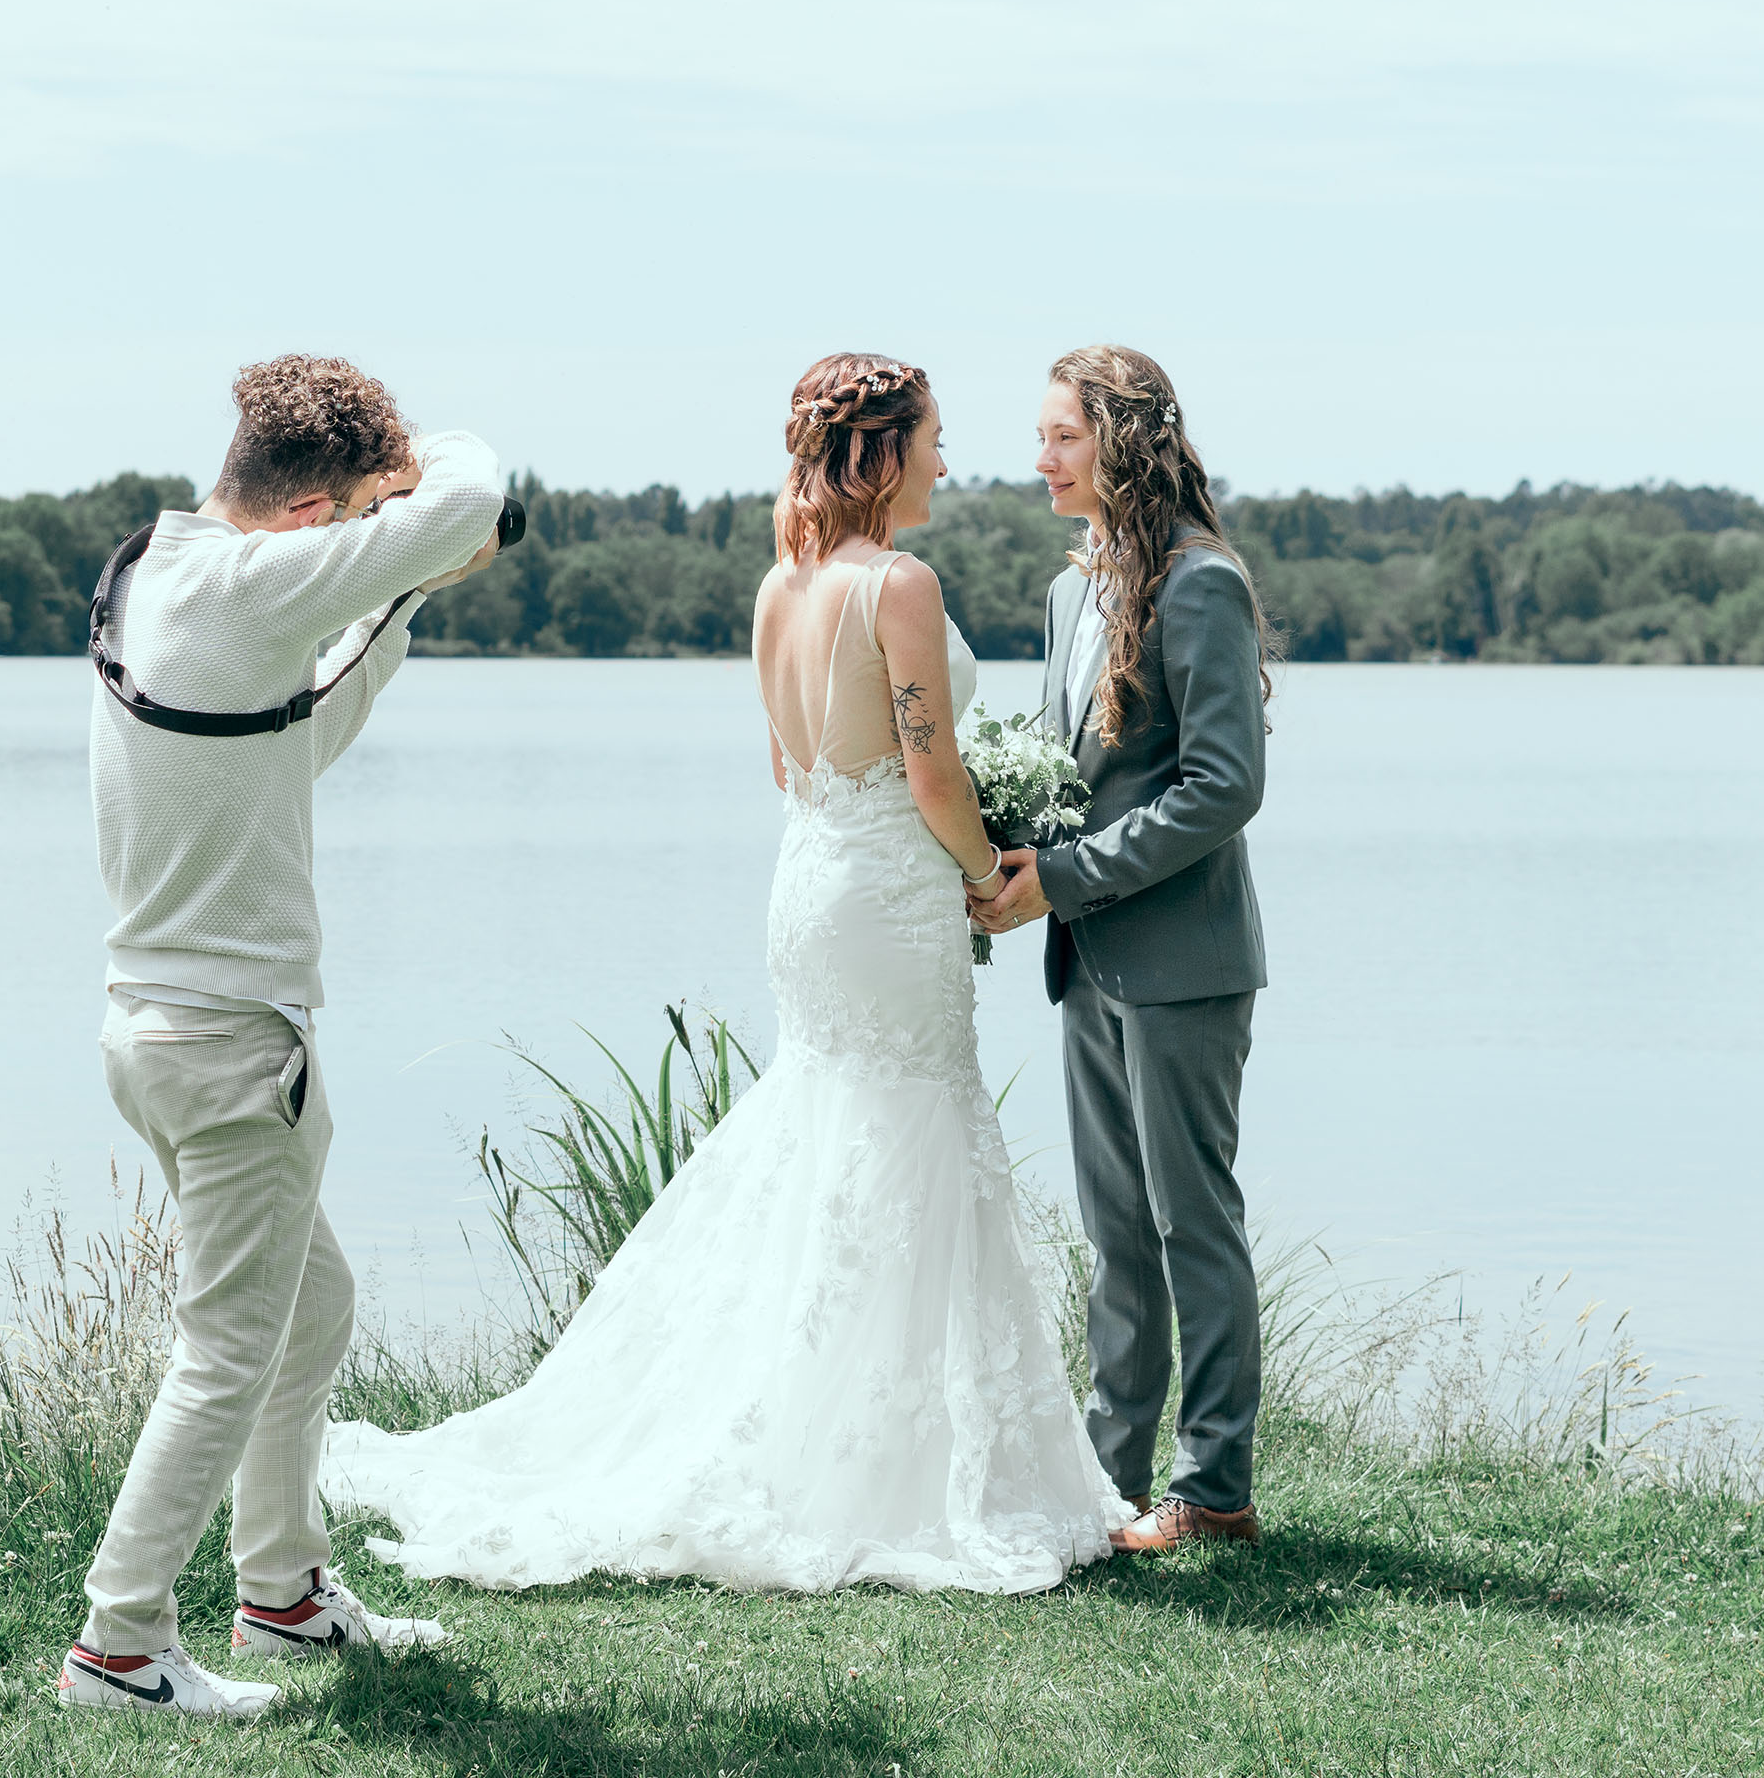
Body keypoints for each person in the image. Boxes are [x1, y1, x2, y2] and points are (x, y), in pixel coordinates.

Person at [320, 354, 1132, 1596]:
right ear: (880, 452)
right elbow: (930, 772)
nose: (948, 462)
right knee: (905, 1128)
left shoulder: (777, 587)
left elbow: (785, 766)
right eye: (932, 439)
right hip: (885, 896)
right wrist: (989, 874)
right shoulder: (897, 584)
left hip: (809, 883)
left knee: (831, 1129)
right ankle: (890, 1465)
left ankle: (828, 1424)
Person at [60, 355, 504, 1720]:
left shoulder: (157, 571)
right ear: (315, 514)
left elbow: (293, 732)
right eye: (352, 520)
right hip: (233, 1049)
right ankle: (121, 1645)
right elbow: (482, 484)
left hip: (161, 1033)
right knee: (226, 1349)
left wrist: (397, 588)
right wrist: (418, 486)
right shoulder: (250, 586)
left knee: (311, 1309)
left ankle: (285, 1595)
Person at [975, 344, 1277, 1554]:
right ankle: (1109, 1481)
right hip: (1086, 961)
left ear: (1121, 441)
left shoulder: (1202, 583)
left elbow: (1222, 785)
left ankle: (1214, 1491)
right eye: (1041, 437)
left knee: (1189, 1222)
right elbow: (1074, 776)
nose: (1038, 458)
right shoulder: (1070, 590)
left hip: (1183, 962)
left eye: (1060, 437)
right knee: (1113, 1232)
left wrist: (1065, 876)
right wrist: (1002, 852)